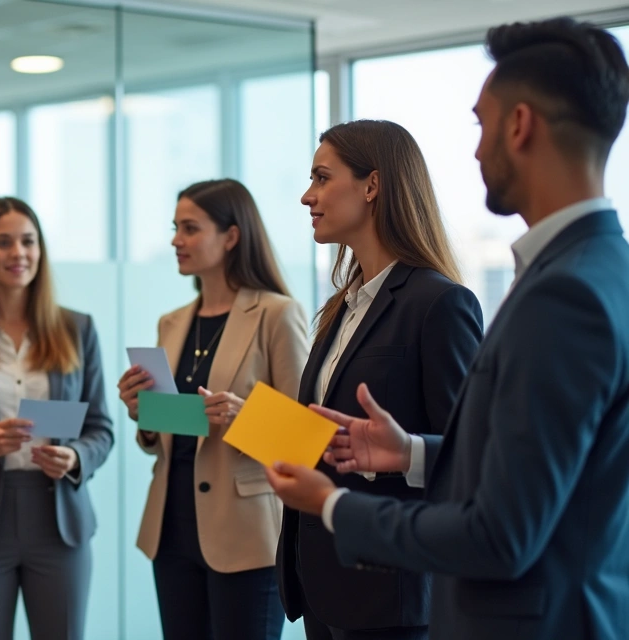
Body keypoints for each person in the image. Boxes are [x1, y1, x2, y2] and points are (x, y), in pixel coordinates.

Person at [267, 18, 629, 640]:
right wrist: (408, 451)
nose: (476, 150)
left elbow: (501, 533)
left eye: (480, 124)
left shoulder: (562, 295)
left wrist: (333, 505)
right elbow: (519, 467)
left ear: (520, 125)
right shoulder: (593, 269)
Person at [275, 119, 484, 640]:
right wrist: (247, 420)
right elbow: (331, 440)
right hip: (321, 583)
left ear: (372, 186)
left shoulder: (439, 304)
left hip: (393, 599)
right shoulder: (341, 306)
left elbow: (471, 458)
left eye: (322, 178)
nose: (307, 196)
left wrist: (407, 450)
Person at [118, 179, 309, 639]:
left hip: (246, 536)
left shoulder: (276, 315)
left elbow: (305, 439)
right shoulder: (173, 322)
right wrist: (141, 410)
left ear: (231, 236)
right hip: (171, 529)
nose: (175, 241)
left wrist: (247, 418)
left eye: (189, 228)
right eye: (174, 228)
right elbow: (170, 431)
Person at [0, 197, 114, 640]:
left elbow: (101, 428)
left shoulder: (77, 329)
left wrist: (74, 457)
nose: (18, 253)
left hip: (59, 521)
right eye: (3, 242)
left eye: (28, 241)